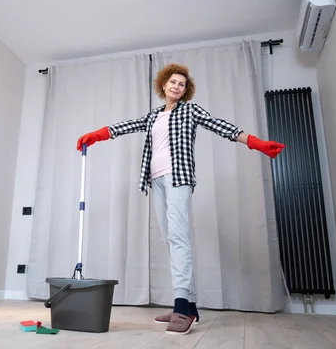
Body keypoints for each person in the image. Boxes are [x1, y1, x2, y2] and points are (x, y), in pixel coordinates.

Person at [76, 63, 284, 336]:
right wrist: (97, 135)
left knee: (179, 237)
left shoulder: (190, 111)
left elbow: (222, 126)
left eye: (182, 84)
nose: (176, 86)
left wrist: (256, 142)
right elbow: (126, 126)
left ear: (186, 90)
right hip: (156, 180)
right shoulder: (153, 116)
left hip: (178, 177)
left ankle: (181, 305)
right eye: (172, 82)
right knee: (171, 240)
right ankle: (191, 308)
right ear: (163, 85)